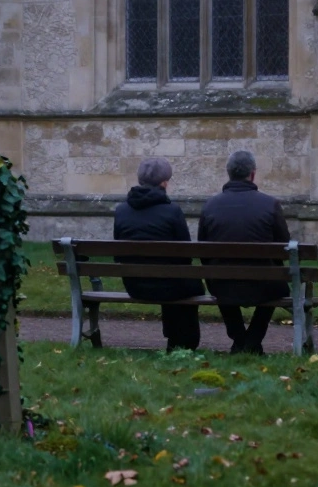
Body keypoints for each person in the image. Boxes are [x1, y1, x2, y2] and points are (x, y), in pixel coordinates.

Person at [197, 150, 290, 355]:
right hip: (265, 284)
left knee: (219, 279)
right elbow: (285, 248)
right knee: (278, 285)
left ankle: (240, 339)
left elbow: (203, 250)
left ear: (229, 173)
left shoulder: (210, 206)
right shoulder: (270, 204)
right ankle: (251, 341)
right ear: (253, 174)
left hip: (222, 284)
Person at [112, 157, 204, 352]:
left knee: (173, 279)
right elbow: (185, 255)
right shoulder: (172, 211)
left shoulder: (121, 211)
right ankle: (184, 342)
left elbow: (117, 255)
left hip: (135, 285)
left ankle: (175, 338)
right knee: (189, 284)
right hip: (169, 286)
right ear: (164, 183)